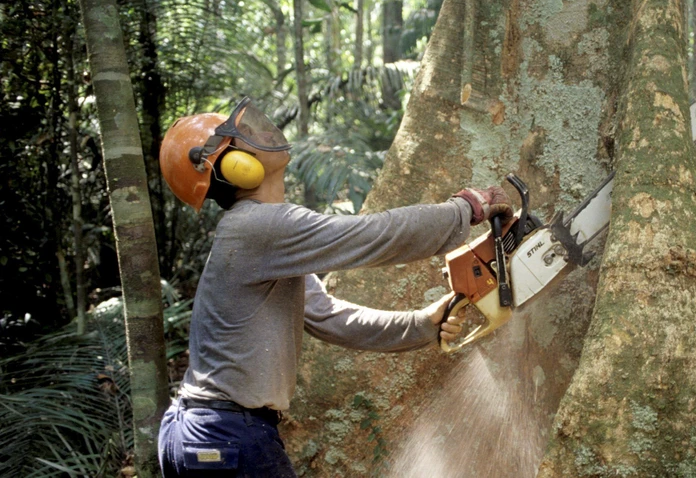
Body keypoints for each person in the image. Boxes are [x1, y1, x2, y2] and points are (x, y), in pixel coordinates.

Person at [155, 97, 512, 477]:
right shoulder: (257, 227)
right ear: (233, 167)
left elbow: (329, 317)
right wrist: (465, 208)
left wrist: (422, 324)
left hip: (197, 434)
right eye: (243, 136)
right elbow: (373, 236)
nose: (259, 132)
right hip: (228, 434)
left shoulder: (266, 240)